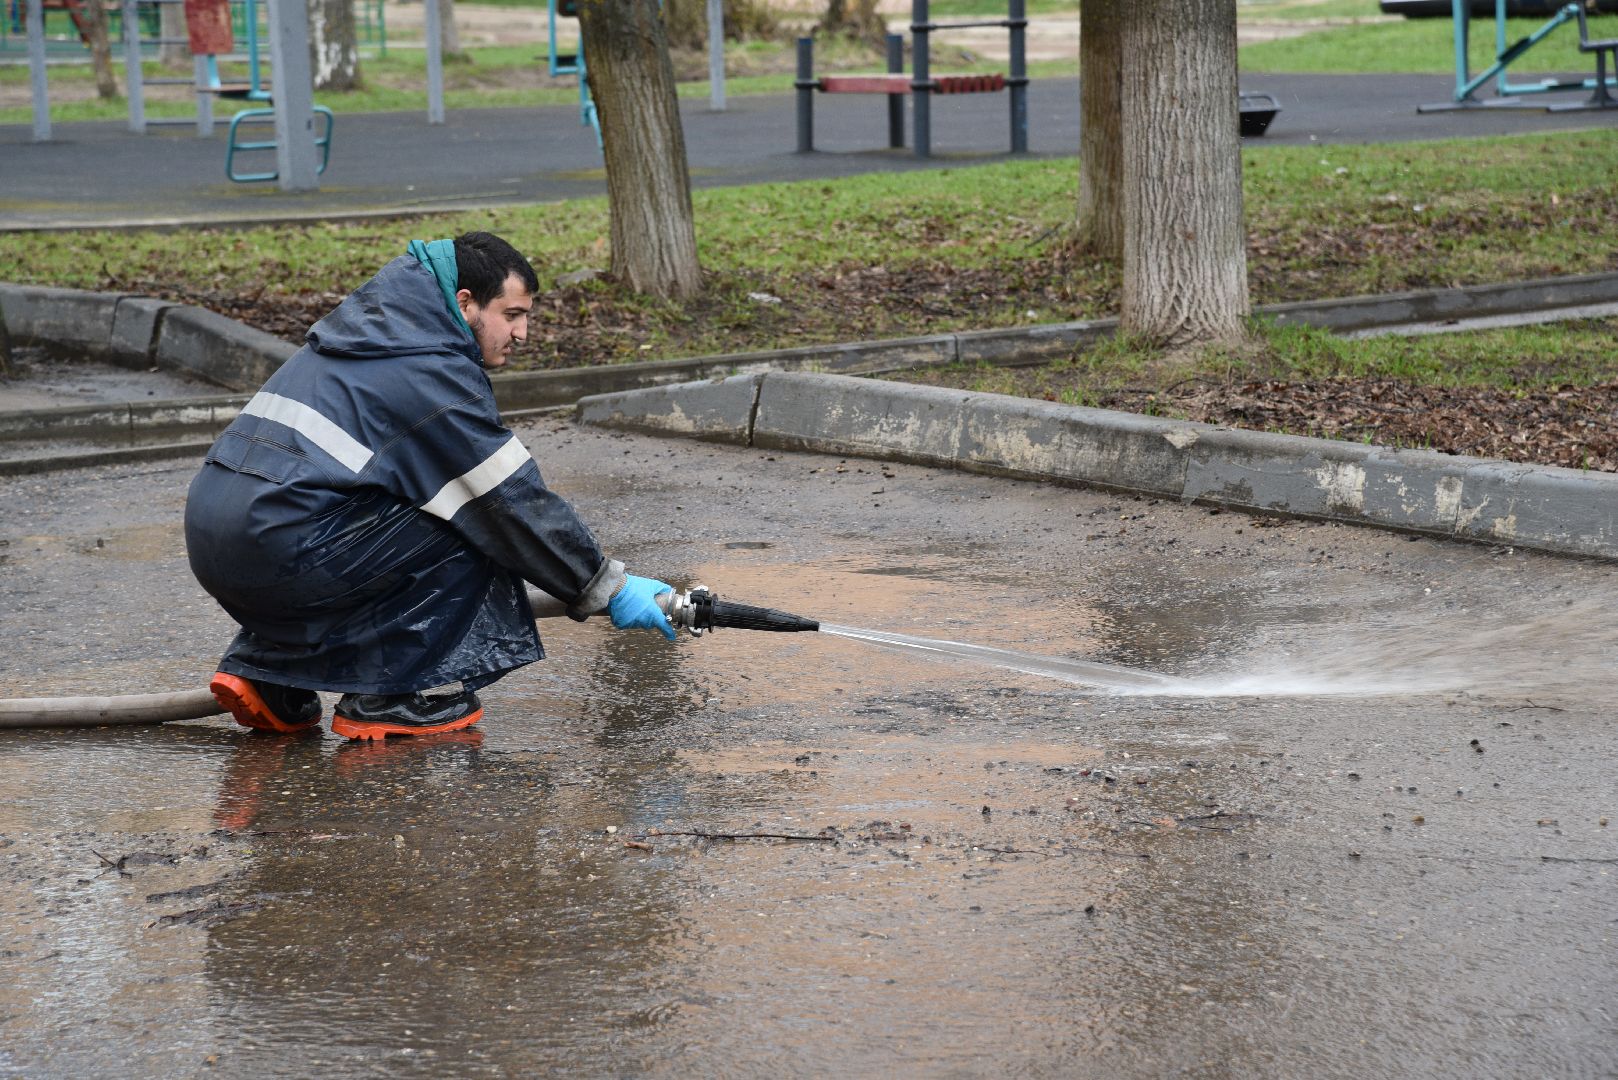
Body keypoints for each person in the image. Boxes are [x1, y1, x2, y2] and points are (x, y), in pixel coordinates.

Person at [184, 231, 675, 741]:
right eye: (512, 315)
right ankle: (386, 698)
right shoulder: (427, 371)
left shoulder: (358, 340)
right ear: (465, 304)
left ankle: (267, 676)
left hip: (220, 549)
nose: (524, 332)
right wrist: (604, 586)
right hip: (286, 552)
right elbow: (510, 503)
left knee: (375, 515)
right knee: (469, 521)